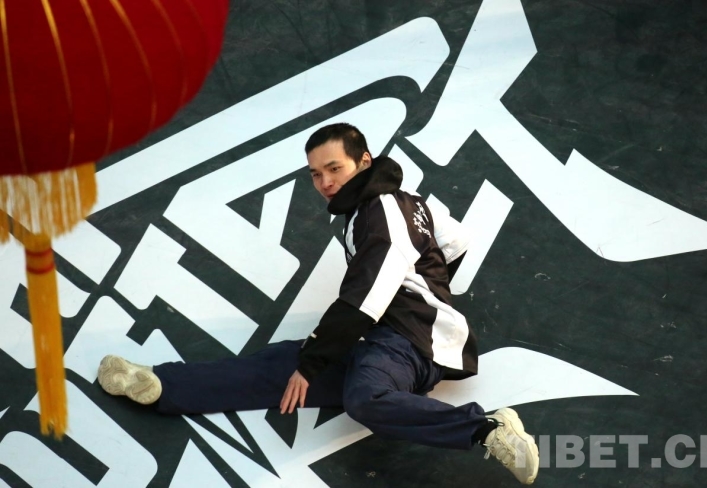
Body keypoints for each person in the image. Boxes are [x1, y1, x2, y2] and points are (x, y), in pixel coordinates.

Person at [98, 123, 540, 484]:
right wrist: (429, 279)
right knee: (278, 367)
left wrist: (424, 301)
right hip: (376, 340)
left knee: (362, 396)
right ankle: (162, 384)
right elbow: (456, 241)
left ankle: (487, 429)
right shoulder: (399, 204)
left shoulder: (381, 213)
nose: (325, 182)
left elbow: (362, 300)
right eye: (314, 174)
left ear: (364, 161)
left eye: (334, 168)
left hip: (407, 340)